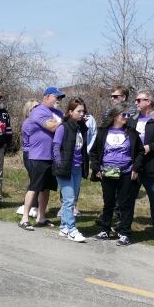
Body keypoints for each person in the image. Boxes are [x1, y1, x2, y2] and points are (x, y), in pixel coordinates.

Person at [90, 102, 144, 246]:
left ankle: (124, 233)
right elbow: (94, 152)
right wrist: (96, 168)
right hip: (107, 172)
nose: (127, 117)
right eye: (123, 114)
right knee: (109, 203)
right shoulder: (103, 132)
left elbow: (140, 151)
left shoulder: (131, 132)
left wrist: (136, 168)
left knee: (125, 204)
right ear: (114, 116)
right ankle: (104, 230)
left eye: (128, 115)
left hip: (126, 172)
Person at [18, 87, 64, 231]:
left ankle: (41, 217)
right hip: (38, 155)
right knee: (35, 187)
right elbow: (51, 127)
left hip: (52, 156)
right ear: (48, 96)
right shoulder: (39, 111)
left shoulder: (57, 113)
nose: (59, 100)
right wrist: (67, 120)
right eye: (57, 97)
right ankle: (24, 218)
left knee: (46, 188)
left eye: (61, 98)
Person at [127, 89, 154, 235]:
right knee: (128, 199)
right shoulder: (132, 119)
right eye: (135, 100)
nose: (135, 102)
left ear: (148, 102)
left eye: (139, 100)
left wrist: (151, 147)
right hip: (134, 166)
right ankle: (125, 229)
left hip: (152, 166)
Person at [53, 98, 89, 242]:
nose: (81, 114)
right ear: (70, 111)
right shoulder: (63, 127)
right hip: (65, 169)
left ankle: (63, 227)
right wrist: (60, 163)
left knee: (71, 200)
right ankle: (72, 230)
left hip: (77, 168)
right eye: (78, 111)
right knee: (68, 200)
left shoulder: (80, 128)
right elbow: (56, 146)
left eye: (83, 111)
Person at [16, 99, 40, 219]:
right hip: (30, 155)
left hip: (37, 154)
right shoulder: (29, 123)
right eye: (35, 107)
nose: (39, 109)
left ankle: (33, 206)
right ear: (29, 110)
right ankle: (29, 207)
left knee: (36, 181)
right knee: (35, 181)